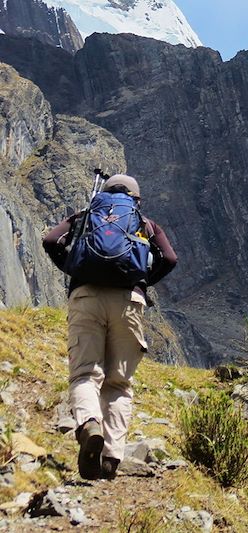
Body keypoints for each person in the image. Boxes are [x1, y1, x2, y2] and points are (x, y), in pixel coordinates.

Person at [42, 174, 177, 480]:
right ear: (136, 199)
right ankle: (111, 458)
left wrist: (73, 269)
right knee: (118, 383)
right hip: (128, 301)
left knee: (85, 374)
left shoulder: (87, 216)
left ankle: (90, 423)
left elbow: (50, 240)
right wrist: (142, 281)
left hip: (85, 296)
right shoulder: (144, 222)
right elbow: (170, 258)